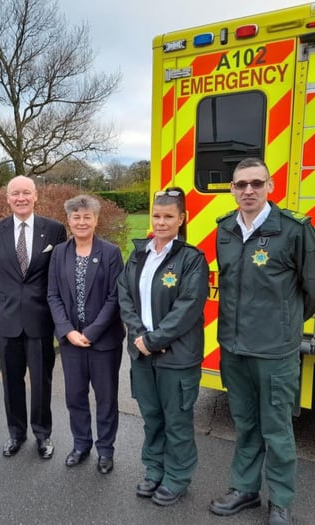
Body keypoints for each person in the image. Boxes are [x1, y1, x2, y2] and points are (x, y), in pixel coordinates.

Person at [209, 158, 315, 525]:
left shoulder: (294, 230)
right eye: (241, 184)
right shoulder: (225, 229)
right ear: (232, 189)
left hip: (275, 352)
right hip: (234, 348)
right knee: (245, 423)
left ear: (270, 186)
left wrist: (285, 322)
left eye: (256, 183)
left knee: (277, 429)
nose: (248, 190)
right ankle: (245, 489)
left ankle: (280, 501)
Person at [117, 187, 209, 506]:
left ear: (182, 218)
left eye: (169, 216)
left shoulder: (192, 259)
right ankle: (154, 469)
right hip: (142, 354)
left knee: (177, 421)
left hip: (177, 357)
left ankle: (177, 477)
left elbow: (188, 308)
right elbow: (124, 296)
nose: (161, 222)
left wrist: (152, 340)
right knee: (152, 417)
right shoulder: (139, 254)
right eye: (156, 215)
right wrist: (139, 335)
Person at [0, 175, 67, 459]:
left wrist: (60, 318)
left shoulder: (54, 230)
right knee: (11, 381)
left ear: (35, 196)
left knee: (42, 382)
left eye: (26, 193)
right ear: (7, 198)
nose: (21, 198)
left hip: (41, 319)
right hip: (6, 319)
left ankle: (43, 435)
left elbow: (59, 276)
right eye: (15, 193)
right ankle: (16, 434)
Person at [47, 195, 125, 474]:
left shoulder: (111, 252)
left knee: (106, 398)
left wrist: (90, 332)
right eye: (76, 217)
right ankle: (81, 444)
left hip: (104, 342)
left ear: (96, 219)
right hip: (71, 342)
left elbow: (115, 297)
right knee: (75, 396)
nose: (81, 222)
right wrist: (67, 331)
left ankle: (105, 450)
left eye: (87, 217)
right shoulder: (59, 253)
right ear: (68, 220)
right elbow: (53, 295)